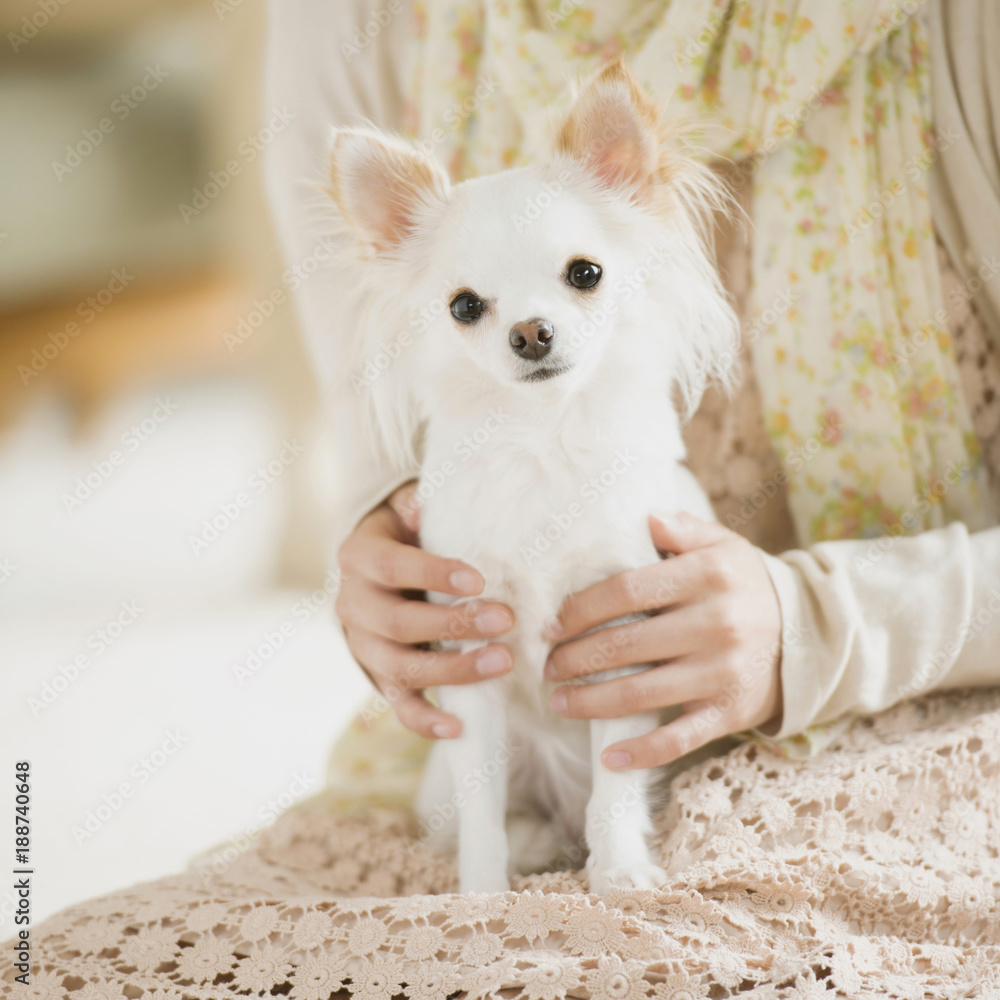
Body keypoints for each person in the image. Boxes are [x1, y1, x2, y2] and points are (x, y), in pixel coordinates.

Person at [264, 0, 1000, 785]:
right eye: (472, 307)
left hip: (947, 707)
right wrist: (390, 579)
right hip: (524, 753)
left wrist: (815, 624)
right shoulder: (341, 19)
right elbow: (381, 464)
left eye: (583, 276)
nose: (529, 334)